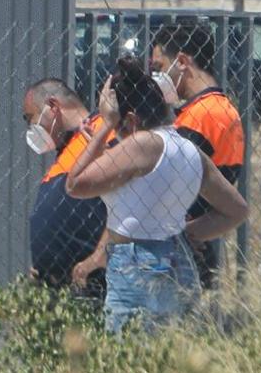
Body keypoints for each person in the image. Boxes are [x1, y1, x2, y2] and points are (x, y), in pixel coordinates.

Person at [65, 58, 248, 334]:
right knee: (170, 363)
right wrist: (186, 233)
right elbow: (236, 210)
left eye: (118, 127)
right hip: (180, 263)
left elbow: (75, 183)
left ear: (130, 120)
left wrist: (104, 126)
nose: (118, 134)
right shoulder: (188, 149)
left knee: (129, 361)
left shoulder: (144, 144)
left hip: (136, 264)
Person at [152, 22, 245, 289]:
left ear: (181, 61)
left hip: (180, 250)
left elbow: (168, 181)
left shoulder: (203, 115)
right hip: (193, 242)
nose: (156, 76)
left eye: (159, 67)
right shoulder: (214, 109)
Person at [21, 78, 108, 299]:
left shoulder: (102, 131)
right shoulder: (67, 151)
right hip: (57, 288)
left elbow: (130, 201)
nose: (30, 128)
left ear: (53, 106)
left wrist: (98, 257)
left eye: (30, 118)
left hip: (90, 282)